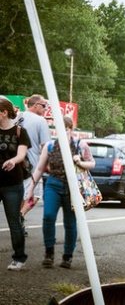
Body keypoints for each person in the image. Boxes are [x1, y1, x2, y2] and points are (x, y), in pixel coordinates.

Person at [27, 116, 95, 269]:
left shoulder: (80, 145)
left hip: (73, 187)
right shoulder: (50, 146)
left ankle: (67, 256)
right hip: (53, 183)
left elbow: (92, 163)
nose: (63, 131)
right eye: (60, 128)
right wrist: (31, 188)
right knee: (48, 215)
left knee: (70, 222)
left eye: (66, 128)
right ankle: (49, 252)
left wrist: (80, 161)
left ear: (71, 129)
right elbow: (39, 169)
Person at [0, 96, 31, 271]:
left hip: (13, 184)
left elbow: (21, 155)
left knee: (14, 222)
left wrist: (13, 161)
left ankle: (19, 258)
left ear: (4, 113)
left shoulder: (20, 132)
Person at [18, 95, 52, 235]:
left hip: (13, 163)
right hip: (31, 166)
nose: (45, 109)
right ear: (36, 105)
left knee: (19, 195)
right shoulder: (40, 121)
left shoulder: (17, 117)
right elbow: (46, 146)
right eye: (44, 106)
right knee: (34, 197)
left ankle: (20, 224)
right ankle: (20, 215)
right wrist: (49, 165)